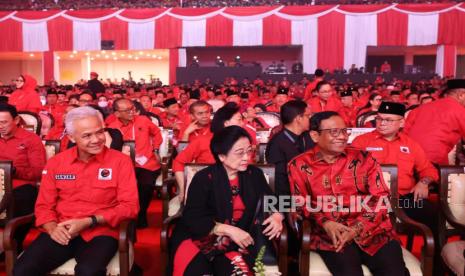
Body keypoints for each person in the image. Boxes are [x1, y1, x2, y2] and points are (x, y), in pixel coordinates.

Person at [13, 106, 139, 276]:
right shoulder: (57, 163)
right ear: (71, 137)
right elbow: (43, 205)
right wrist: (52, 228)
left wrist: (89, 221)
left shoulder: (120, 162)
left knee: (88, 271)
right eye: (87, 135)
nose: (96, 140)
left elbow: (130, 207)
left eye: (100, 132)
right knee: (22, 270)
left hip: (101, 232)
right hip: (61, 229)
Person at [288, 111, 408, 276]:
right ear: (315, 136)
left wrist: (357, 228)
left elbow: (381, 199)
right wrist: (325, 222)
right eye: (334, 132)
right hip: (331, 236)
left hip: (374, 233)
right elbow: (300, 202)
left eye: (345, 131)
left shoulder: (364, 158)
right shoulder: (298, 164)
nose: (342, 137)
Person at [168, 126, 284, 275]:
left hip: (242, 239)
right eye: (239, 153)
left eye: (249, 151)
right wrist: (228, 229)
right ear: (221, 156)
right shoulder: (204, 178)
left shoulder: (254, 174)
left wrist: (277, 215)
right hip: (202, 237)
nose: (246, 157)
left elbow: (277, 198)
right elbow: (192, 217)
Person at [107, 99, 162, 228]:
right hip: (123, 165)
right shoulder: (112, 127)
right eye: (127, 110)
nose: (132, 112)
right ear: (117, 114)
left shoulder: (143, 120)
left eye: (132, 108)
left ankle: (141, 213)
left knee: (145, 185)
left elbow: (157, 133)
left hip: (146, 163)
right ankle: (124, 215)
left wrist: (155, 148)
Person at [0, 103, 46, 252]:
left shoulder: (30, 139)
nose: (0, 126)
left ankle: (13, 245)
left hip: (21, 185)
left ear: (17, 120)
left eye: (4, 122)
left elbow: (39, 171)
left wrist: (13, 171)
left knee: (24, 198)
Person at [405, 79, 465, 165]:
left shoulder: (420, 109)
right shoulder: (460, 111)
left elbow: (404, 134)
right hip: (434, 160)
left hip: (408, 157)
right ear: (461, 95)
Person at [266, 100, 314, 197]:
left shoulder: (307, 137)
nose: (310, 119)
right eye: (308, 116)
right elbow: (280, 181)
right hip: (289, 198)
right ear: (298, 118)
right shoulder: (277, 144)